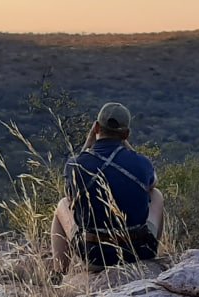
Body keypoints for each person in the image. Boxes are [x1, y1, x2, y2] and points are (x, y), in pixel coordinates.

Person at [51, 102, 165, 273]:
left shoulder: (75, 164)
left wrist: (88, 144)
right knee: (156, 195)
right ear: (127, 134)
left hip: (95, 256)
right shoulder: (142, 163)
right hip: (138, 253)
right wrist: (127, 147)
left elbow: (71, 197)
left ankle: (58, 274)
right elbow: (153, 182)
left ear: (96, 128)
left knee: (62, 205)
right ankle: (152, 253)